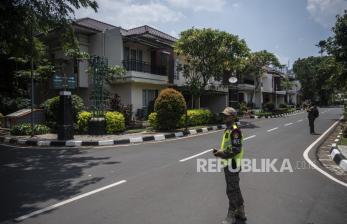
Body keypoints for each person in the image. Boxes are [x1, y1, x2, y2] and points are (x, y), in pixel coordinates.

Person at [213, 107, 246, 224]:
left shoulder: (235, 131)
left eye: (226, 115)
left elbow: (236, 149)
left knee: (231, 190)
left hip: (233, 164)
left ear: (233, 117)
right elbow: (229, 147)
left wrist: (222, 154)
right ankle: (241, 211)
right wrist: (220, 151)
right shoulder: (228, 130)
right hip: (229, 164)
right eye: (224, 115)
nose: (224, 117)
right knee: (235, 188)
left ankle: (231, 215)